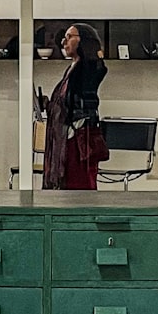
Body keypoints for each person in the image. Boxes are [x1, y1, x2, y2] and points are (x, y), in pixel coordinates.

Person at [41, 22, 109, 190]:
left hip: (80, 139)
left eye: (69, 37)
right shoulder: (72, 68)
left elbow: (78, 99)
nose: (64, 42)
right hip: (70, 137)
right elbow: (66, 103)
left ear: (83, 41)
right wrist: (49, 105)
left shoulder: (90, 68)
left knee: (79, 185)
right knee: (69, 185)